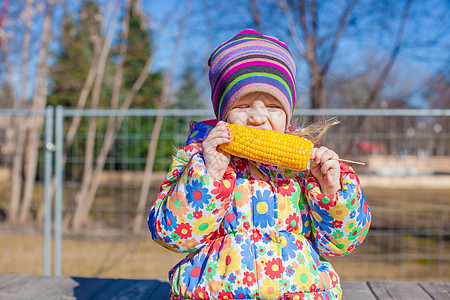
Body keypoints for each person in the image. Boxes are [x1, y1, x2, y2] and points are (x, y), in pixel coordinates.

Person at [148, 29, 371, 300]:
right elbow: (173, 236)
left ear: (288, 113)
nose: (257, 116)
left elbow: (342, 244)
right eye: (242, 106)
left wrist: (332, 191)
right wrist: (209, 176)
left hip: (299, 293)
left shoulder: (306, 173)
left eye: (273, 106)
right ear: (223, 113)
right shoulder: (198, 162)